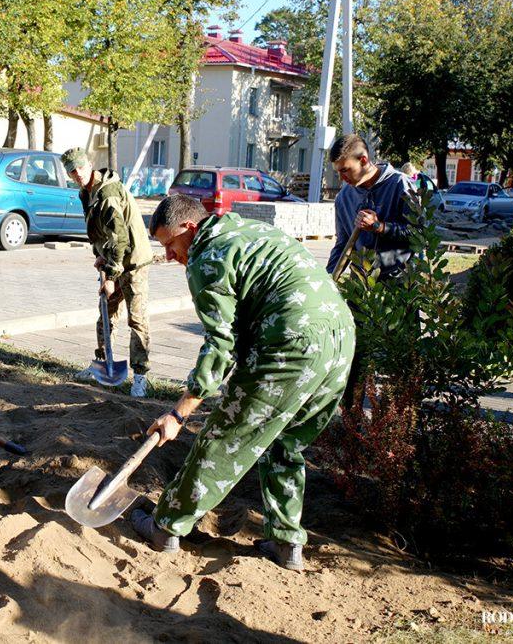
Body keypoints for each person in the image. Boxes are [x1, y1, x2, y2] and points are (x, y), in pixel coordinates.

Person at [131, 195, 355, 571]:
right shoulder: (247, 229)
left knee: (223, 438)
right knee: (285, 442)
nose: (169, 256)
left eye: (170, 245)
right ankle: (286, 544)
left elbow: (220, 345)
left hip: (289, 344)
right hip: (339, 339)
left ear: (190, 228)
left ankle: (165, 525)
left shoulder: (207, 256)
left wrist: (179, 412)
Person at [61, 148, 153, 398]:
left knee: (136, 319)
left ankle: (140, 377)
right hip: (113, 259)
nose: (76, 174)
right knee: (105, 314)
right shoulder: (86, 192)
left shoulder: (108, 194)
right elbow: (100, 232)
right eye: (71, 171)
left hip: (133, 262)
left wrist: (111, 277)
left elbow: (120, 239)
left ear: (89, 165)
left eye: (80, 168)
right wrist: (100, 254)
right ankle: (102, 363)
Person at [324, 134, 416, 281]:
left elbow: (417, 235)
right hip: (360, 286)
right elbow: (342, 244)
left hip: (397, 285)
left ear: (363, 160)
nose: (341, 178)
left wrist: (379, 226)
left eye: (345, 170)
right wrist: (327, 280)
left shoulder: (400, 185)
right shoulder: (343, 198)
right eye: (338, 172)